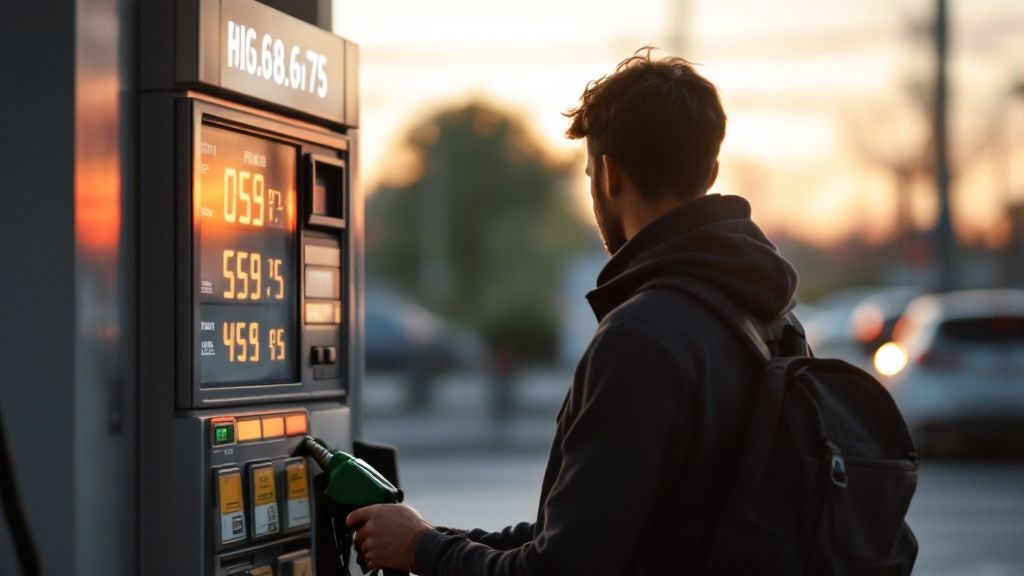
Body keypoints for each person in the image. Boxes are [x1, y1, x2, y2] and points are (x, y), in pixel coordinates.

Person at [346, 47, 800, 575]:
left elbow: (560, 567)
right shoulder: (774, 320)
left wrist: (423, 550)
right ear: (711, 170)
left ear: (608, 176)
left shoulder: (642, 337)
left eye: (588, 173)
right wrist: (428, 538)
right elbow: (585, 531)